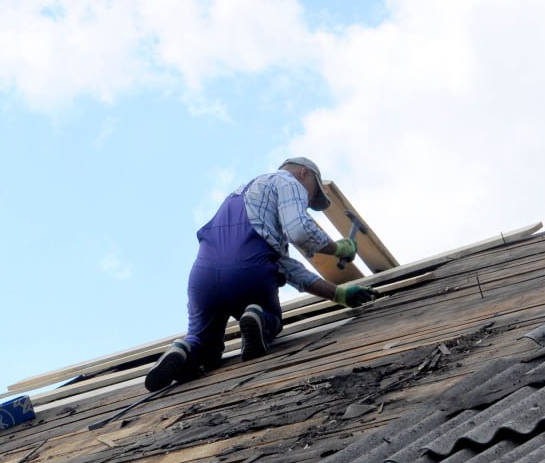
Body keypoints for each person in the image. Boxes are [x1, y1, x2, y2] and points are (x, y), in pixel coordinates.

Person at [145, 157, 379, 391]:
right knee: (271, 318)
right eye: (311, 196)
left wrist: (339, 294)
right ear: (303, 173)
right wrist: (339, 248)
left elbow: (285, 266)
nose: (307, 203)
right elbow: (298, 230)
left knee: (205, 348)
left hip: (202, 278)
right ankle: (259, 318)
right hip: (248, 273)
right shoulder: (288, 182)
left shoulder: (241, 196)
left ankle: (182, 349)